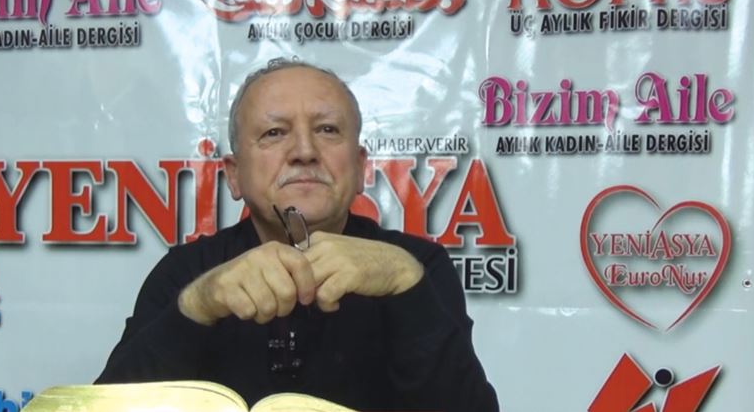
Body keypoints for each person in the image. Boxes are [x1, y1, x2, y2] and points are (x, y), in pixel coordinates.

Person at [97, 58, 499, 411]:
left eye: (327, 129)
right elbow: (107, 408)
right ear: (234, 175)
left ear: (361, 167)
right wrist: (196, 308)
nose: (305, 151)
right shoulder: (189, 273)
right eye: (274, 133)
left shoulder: (416, 267)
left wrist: (406, 285)